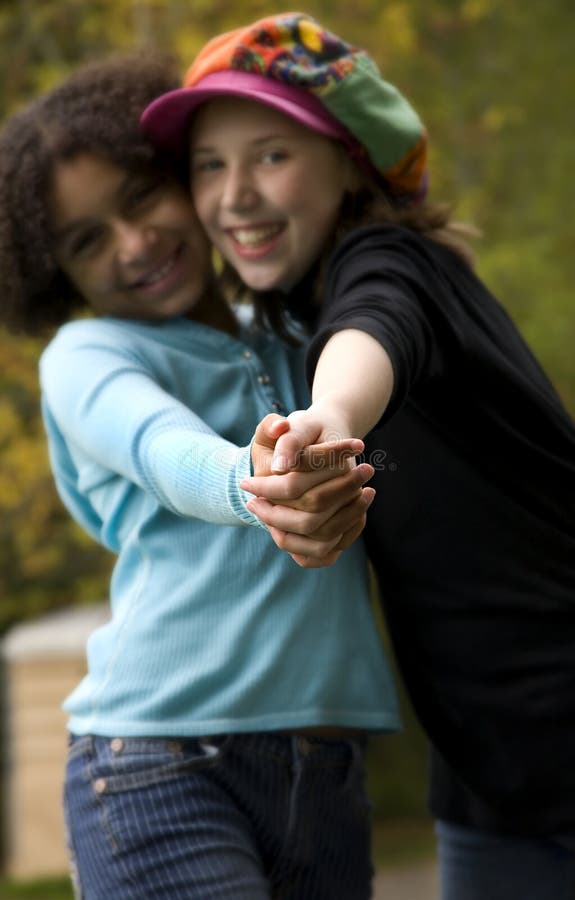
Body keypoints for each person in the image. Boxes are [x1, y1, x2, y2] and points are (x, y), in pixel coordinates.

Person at [141, 13, 575, 900]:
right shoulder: (283, 321)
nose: (234, 196)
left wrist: (325, 418)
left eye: (271, 155)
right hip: (490, 784)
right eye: (209, 165)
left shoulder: (393, 260)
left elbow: (375, 327)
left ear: (348, 160)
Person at [0, 52, 401, 900]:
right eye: (86, 240)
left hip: (328, 772)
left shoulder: (298, 326)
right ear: (55, 275)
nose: (134, 244)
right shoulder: (89, 355)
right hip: (161, 769)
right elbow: (159, 447)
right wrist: (252, 480)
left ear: (185, 179)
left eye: (140, 197)